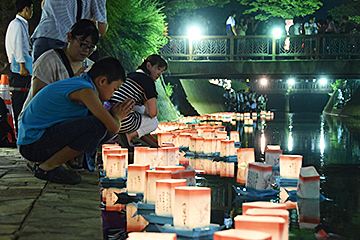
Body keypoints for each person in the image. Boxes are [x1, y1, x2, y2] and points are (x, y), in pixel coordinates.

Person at [17, 57, 135, 184]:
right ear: (102, 81)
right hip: (33, 145)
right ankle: (47, 167)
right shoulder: (85, 90)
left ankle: (49, 162)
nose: (113, 95)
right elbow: (113, 127)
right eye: (115, 89)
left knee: (101, 127)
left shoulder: (82, 82)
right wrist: (117, 116)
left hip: (31, 142)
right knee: (98, 126)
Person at [19, 19, 99, 171]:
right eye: (82, 44)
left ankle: (71, 156)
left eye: (91, 48)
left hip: (69, 122)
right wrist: (72, 84)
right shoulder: (49, 60)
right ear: (69, 37)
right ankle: (51, 161)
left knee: (100, 122)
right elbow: (39, 101)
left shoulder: (90, 67)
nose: (86, 50)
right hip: (40, 126)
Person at [109, 54, 168, 148]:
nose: (159, 74)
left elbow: (142, 117)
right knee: (153, 122)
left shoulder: (129, 75)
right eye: (158, 69)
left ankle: (125, 136)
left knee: (139, 109)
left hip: (109, 117)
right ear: (148, 66)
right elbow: (152, 113)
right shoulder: (148, 81)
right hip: (122, 121)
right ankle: (128, 135)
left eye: (161, 71)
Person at [31, 0, 107, 62]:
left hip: (41, 37)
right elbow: (101, 29)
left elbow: (43, 4)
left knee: (38, 78)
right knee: (63, 80)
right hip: (63, 41)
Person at [5, 0, 33, 135]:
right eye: (31, 9)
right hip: (19, 69)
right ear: (26, 9)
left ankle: (23, 131)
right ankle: (20, 132)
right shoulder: (16, 25)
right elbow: (17, 46)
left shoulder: (21, 24)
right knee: (19, 100)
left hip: (24, 68)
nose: (32, 12)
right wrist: (22, 65)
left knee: (24, 99)